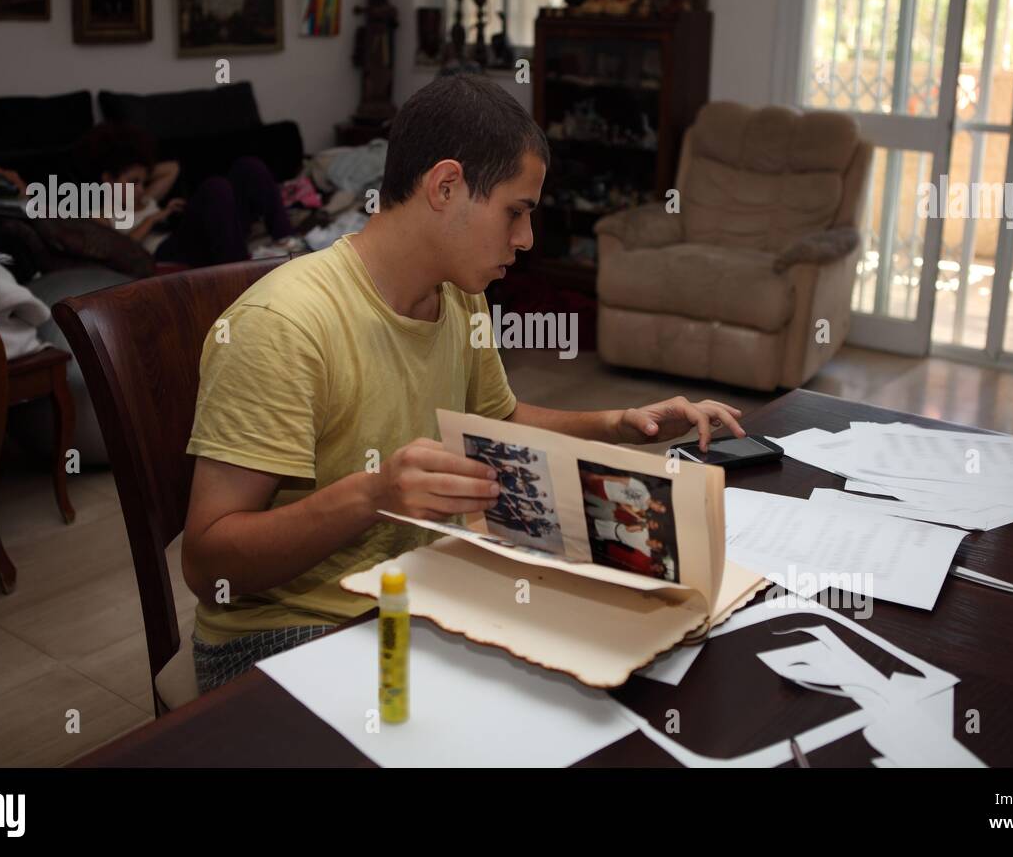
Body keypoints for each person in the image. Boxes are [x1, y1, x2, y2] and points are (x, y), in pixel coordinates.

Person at [180, 73, 745, 692]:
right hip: (286, 634)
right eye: (516, 212)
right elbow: (209, 565)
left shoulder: (458, 295)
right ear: (445, 186)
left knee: (620, 666)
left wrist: (620, 424)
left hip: (415, 588)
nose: (526, 240)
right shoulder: (284, 326)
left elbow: (497, 423)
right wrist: (372, 495)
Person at [73, 122, 302, 266]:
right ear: (107, 179)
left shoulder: (144, 196)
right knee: (216, 187)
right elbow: (120, 248)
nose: (141, 188)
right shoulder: (99, 214)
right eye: (133, 182)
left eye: (143, 181)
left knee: (248, 166)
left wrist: (137, 167)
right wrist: (153, 219)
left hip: (202, 238)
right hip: (166, 253)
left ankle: (287, 241)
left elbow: (172, 167)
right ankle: (239, 272)